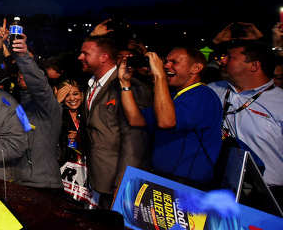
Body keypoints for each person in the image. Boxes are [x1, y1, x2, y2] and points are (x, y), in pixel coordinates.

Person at [118, 48, 222, 188]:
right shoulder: (173, 97)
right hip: (165, 179)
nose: (166, 66)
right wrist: (125, 84)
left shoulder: (202, 95)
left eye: (174, 62)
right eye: (166, 61)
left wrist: (160, 77)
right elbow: (136, 119)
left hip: (186, 185)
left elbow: (166, 121)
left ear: (196, 68)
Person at [78, 36, 151, 208]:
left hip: (116, 185)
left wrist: (123, 183)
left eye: (85, 53)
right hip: (97, 178)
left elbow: (136, 141)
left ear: (103, 57)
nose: (80, 57)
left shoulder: (129, 87)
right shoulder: (91, 84)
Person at [208, 40, 283, 197]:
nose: (222, 60)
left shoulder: (280, 103)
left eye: (230, 57)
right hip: (216, 185)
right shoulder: (213, 90)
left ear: (254, 66)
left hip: (266, 193)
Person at [10, 34, 63, 189]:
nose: (21, 76)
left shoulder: (49, 108)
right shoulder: (20, 107)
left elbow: (39, 88)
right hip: (20, 183)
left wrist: (24, 57)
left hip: (45, 184)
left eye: (25, 74)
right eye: (19, 73)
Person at [55, 79, 85, 165]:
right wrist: (65, 138)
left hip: (87, 167)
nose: (72, 98)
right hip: (64, 167)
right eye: (67, 95)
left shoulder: (87, 114)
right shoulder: (58, 115)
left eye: (75, 94)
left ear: (81, 94)